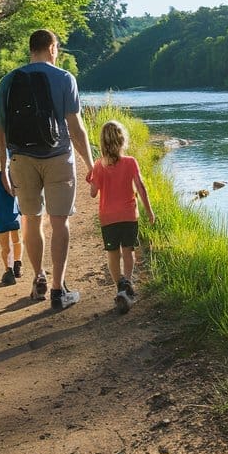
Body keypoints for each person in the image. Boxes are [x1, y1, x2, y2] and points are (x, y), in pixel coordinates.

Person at [0, 29, 94, 310]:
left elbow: (0, 129)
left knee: (31, 218)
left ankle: (38, 276)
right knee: (60, 221)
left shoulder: (8, 81)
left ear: (31, 49)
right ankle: (57, 289)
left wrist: (4, 165)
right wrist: (90, 163)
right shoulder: (65, 78)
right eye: (57, 47)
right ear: (52, 48)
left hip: (21, 159)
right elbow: (75, 127)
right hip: (58, 157)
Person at [88, 120, 155, 313]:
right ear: (122, 140)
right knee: (128, 251)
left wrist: (92, 177)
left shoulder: (98, 166)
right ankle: (127, 284)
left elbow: (93, 193)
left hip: (108, 217)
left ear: (102, 143)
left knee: (112, 253)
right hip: (128, 216)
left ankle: (120, 286)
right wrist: (149, 212)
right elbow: (141, 188)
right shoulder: (130, 162)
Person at [0, 170, 23, 285]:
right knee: (16, 240)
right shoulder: (16, 175)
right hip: (13, 212)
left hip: (0, 214)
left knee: (5, 246)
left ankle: (8, 270)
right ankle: (17, 264)